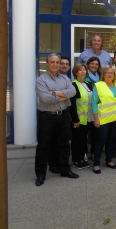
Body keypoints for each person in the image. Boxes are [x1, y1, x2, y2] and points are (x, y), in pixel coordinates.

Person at [34, 53, 79, 186]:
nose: (55, 64)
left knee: (64, 144)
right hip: (47, 116)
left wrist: (53, 93)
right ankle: (41, 174)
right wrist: (64, 94)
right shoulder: (41, 80)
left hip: (64, 115)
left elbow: (73, 92)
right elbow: (45, 99)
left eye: (57, 62)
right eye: (52, 62)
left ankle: (65, 169)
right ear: (47, 64)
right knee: (43, 146)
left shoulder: (65, 78)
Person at [92, 66, 116, 174]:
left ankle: (109, 160)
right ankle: (96, 164)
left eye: (112, 73)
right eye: (107, 73)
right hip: (103, 118)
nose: (110, 74)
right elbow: (94, 103)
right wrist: (96, 118)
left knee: (111, 140)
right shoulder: (98, 85)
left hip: (115, 118)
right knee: (100, 142)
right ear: (103, 74)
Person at [69, 63, 93, 169]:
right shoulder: (73, 85)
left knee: (83, 139)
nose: (83, 71)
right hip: (78, 119)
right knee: (76, 140)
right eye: (80, 70)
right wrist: (75, 119)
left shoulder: (87, 84)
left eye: (84, 69)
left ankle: (82, 159)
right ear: (75, 72)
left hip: (88, 118)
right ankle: (76, 160)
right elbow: (72, 104)